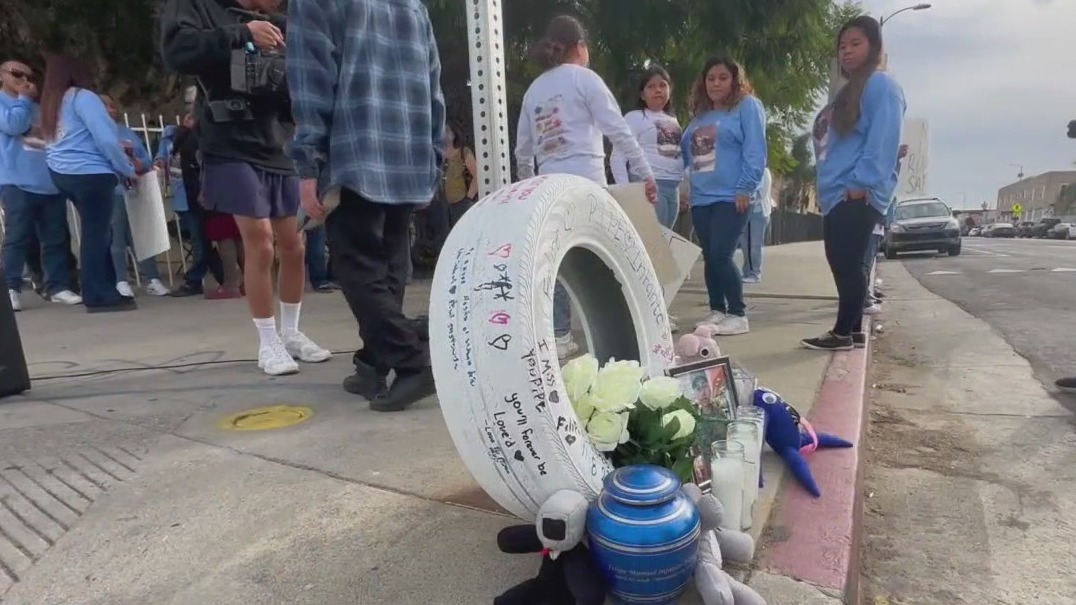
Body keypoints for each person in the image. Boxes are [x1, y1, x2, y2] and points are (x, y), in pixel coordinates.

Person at [286, 0, 442, 411]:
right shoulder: (413, 7)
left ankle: (412, 360)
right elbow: (433, 85)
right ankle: (373, 363)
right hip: (408, 151)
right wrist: (434, 153)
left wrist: (308, 164)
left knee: (356, 267)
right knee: (389, 265)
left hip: (356, 149)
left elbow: (311, 82)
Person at [161, 0, 330, 375]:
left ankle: (291, 333)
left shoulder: (285, 21)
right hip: (228, 141)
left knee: (294, 244)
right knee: (260, 240)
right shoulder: (198, 8)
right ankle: (267, 341)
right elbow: (177, 51)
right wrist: (241, 34)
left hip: (276, 141)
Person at [515, 15, 657, 359]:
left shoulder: (535, 90)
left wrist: (529, 185)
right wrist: (645, 173)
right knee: (607, 254)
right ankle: (623, 324)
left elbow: (523, 151)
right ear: (580, 47)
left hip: (550, 186)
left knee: (559, 259)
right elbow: (618, 131)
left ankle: (560, 333)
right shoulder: (586, 80)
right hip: (588, 184)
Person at [801, 16, 905, 351]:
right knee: (842, 260)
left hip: (856, 191)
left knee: (847, 261)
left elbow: (883, 141)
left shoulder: (881, 85)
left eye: (855, 44)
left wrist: (860, 183)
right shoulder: (852, 89)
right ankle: (854, 329)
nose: (846, 51)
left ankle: (842, 332)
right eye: (842, 46)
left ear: (874, 47)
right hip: (838, 193)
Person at [39, 54, 140, 313]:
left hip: (63, 173)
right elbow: (106, 138)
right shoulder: (83, 97)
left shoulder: (51, 103)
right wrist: (126, 168)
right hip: (91, 173)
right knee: (97, 234)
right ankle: (97, 294)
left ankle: (105, 289)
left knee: (95, 232)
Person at [681, 56, 768, 337]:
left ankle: (738, 313)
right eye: (710, 78)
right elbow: (687, 155)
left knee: (722, 254)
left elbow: (755, 151)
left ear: (734, 80)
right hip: (701, 198)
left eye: (722, 77)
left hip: (732, 197)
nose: (716, 83)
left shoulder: (746, 107)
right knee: (709, 256)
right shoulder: (700, 118)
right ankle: (717, 309)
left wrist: (746, 187)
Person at [0, 59, 82, 311]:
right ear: (2, 75)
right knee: (17, 237)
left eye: (29, 76)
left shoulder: (37, 106)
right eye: (17, 74)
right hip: (16, 182)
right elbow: (13, 126)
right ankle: (11, 287)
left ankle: (58, 285)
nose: (24, 80)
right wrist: (24, 100)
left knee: (55, 237)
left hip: (48, 181)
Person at [100, 94, 171, 298]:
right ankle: (121, 280)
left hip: (135, 189)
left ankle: (152, 278)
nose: (113, 110)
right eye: (108, 107)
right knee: (117, 236)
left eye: (114, 106)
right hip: (114, 191)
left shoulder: (126, 131)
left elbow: (146, 159)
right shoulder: (97, 133)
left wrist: (137, 162)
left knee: (142, 236)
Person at [611, 65, 684, 229]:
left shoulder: (673, 120)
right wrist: (626, 192)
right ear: (642, 95)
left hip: (673, 188)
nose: (657, 90)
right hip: (648, 186)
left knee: (666, 241)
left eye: (662, 85)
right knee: (653, 241)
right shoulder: (635, 118)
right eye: (651, 86)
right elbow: (618, 156)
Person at [442, 121, 479, 229]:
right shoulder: (443, 155)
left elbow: (477, 176)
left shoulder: (464, 152)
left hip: (462, 203)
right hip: (446, 205)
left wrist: (468, 199)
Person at [740, 166, 772, 284]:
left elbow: (762, 194)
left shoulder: (765, 172)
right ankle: (746, 271)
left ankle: (755, 273)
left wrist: (746, 199)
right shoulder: (744, 170)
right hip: (744, 212)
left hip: (759, 213)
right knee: (745, 244)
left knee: (755, 245)